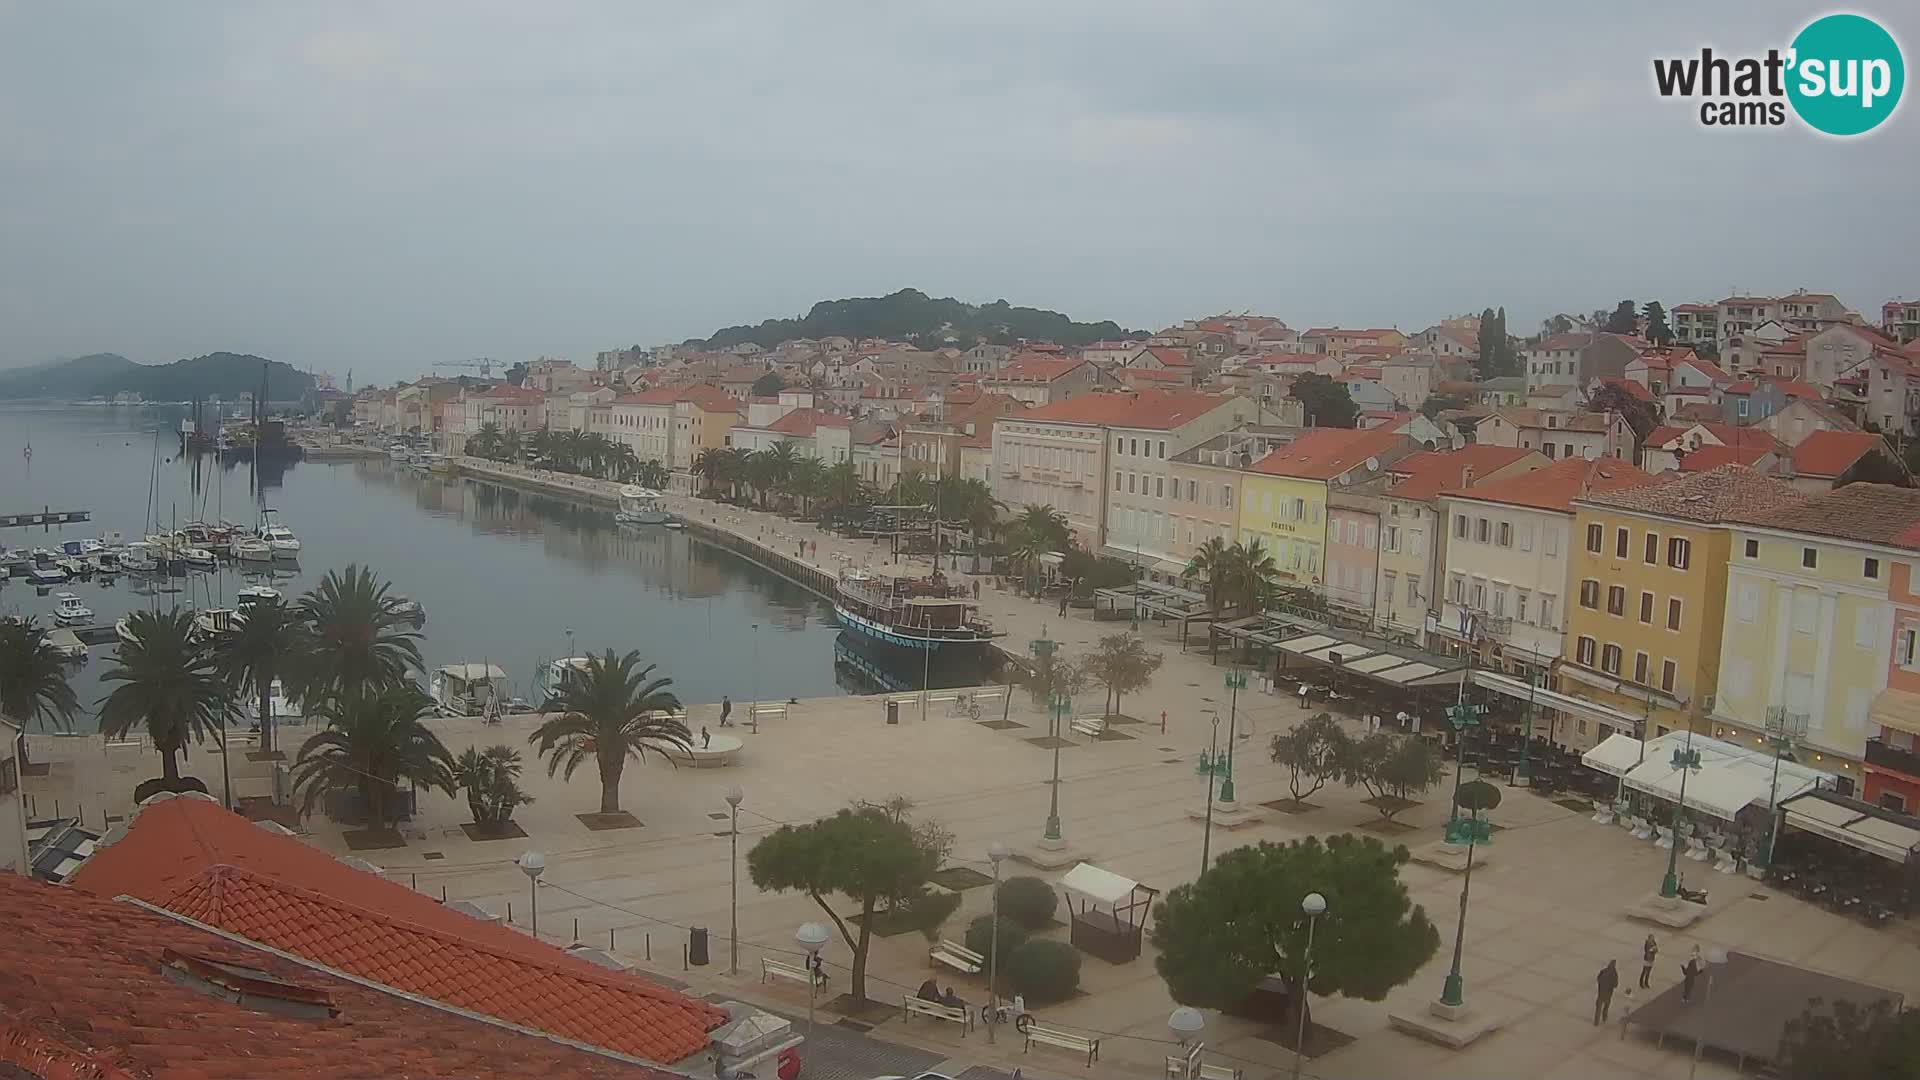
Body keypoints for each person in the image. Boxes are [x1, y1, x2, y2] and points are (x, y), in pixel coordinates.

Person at [1594, 959, 1618, 1025]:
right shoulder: (1614, 973)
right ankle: (1604, 1017)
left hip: (1601, 993)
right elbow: (1615, 984)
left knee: (1598, 1008)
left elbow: (1598, 979)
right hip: (1608, 994)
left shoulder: (1603, 971)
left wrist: (1601, 986)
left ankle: (1596, 1021)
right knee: (1606, 1006)